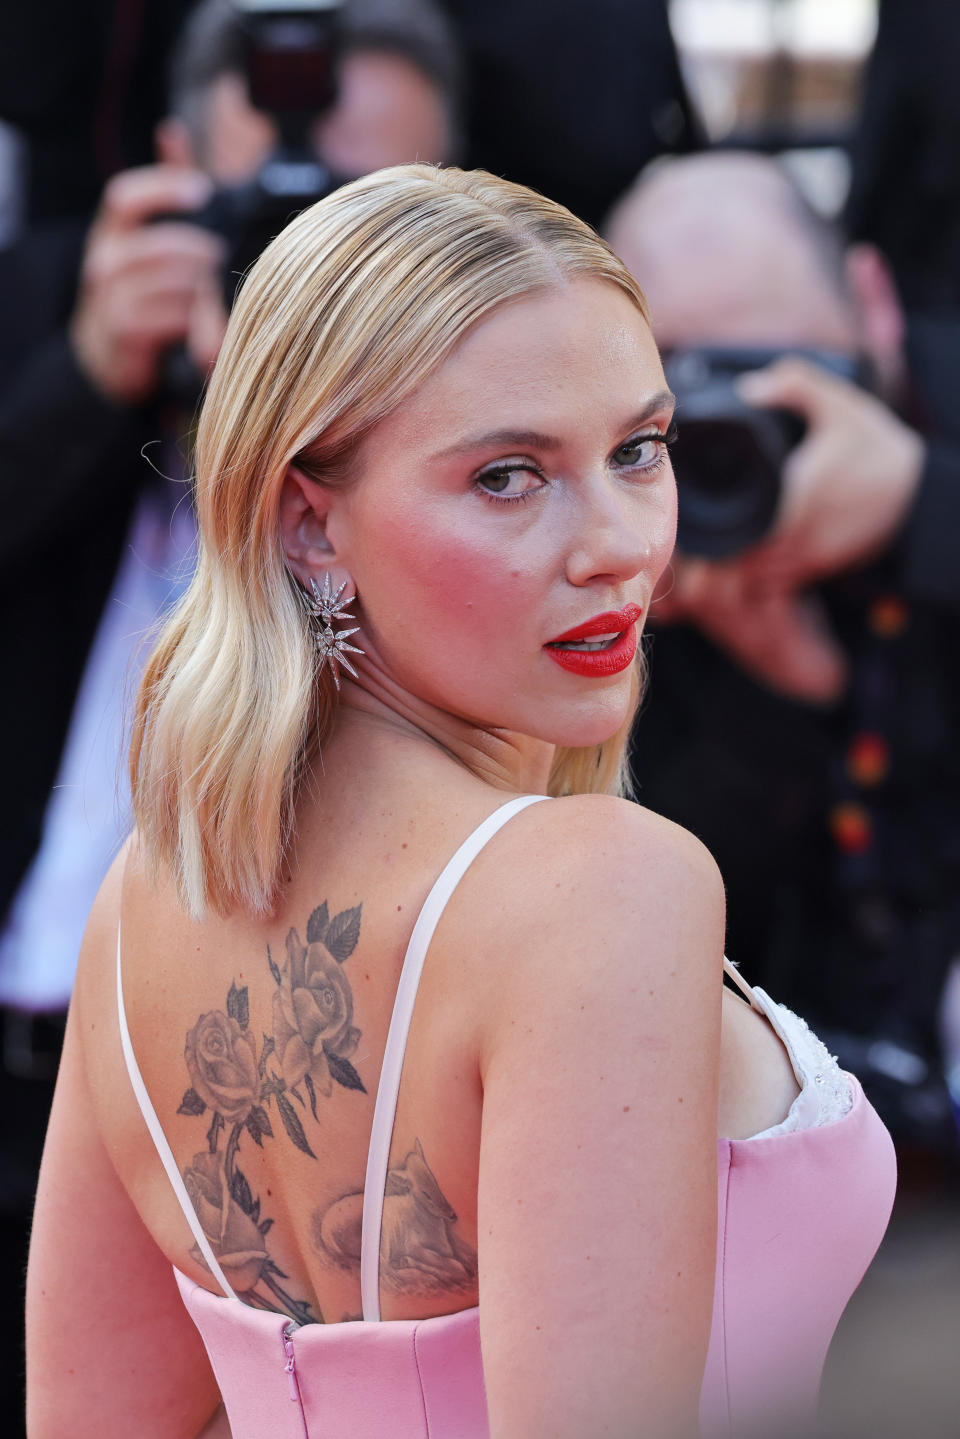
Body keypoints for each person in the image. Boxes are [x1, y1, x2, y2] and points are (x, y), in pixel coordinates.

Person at [26, 165, 895, 1439]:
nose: (616, 542)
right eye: (507, 476)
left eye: (639, 449)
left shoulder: (144, 903)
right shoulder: (601, 886)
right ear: (310, 526)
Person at [0, 3, 457, 1429]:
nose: (297, 287)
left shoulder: (491, 448)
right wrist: (84, 380)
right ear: (167, 166)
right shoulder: (45, 319)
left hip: (337, 1154)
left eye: (359, 239)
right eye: (271, 225)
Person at [605, 152, 960, 1143]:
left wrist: (920, 504)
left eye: (790, 388)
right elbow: (658, 970)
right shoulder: (604, 531)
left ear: (875, 305)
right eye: (682, 414)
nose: (739, 443)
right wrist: (779, 692)